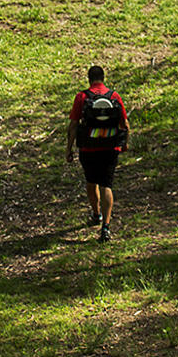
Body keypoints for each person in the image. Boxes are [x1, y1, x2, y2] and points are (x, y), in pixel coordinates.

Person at [65, 64, 128, 243]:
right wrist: (124, 143)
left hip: (88, 147)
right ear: (103, 78)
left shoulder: (82, 97)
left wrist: (69, 149)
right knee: (106, 185)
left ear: (89, 79)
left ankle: (96, 214)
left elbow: (73, 125)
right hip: (110, 147)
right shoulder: (114, 96)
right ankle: (106, 227)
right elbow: (124, 123)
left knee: (91, 182)